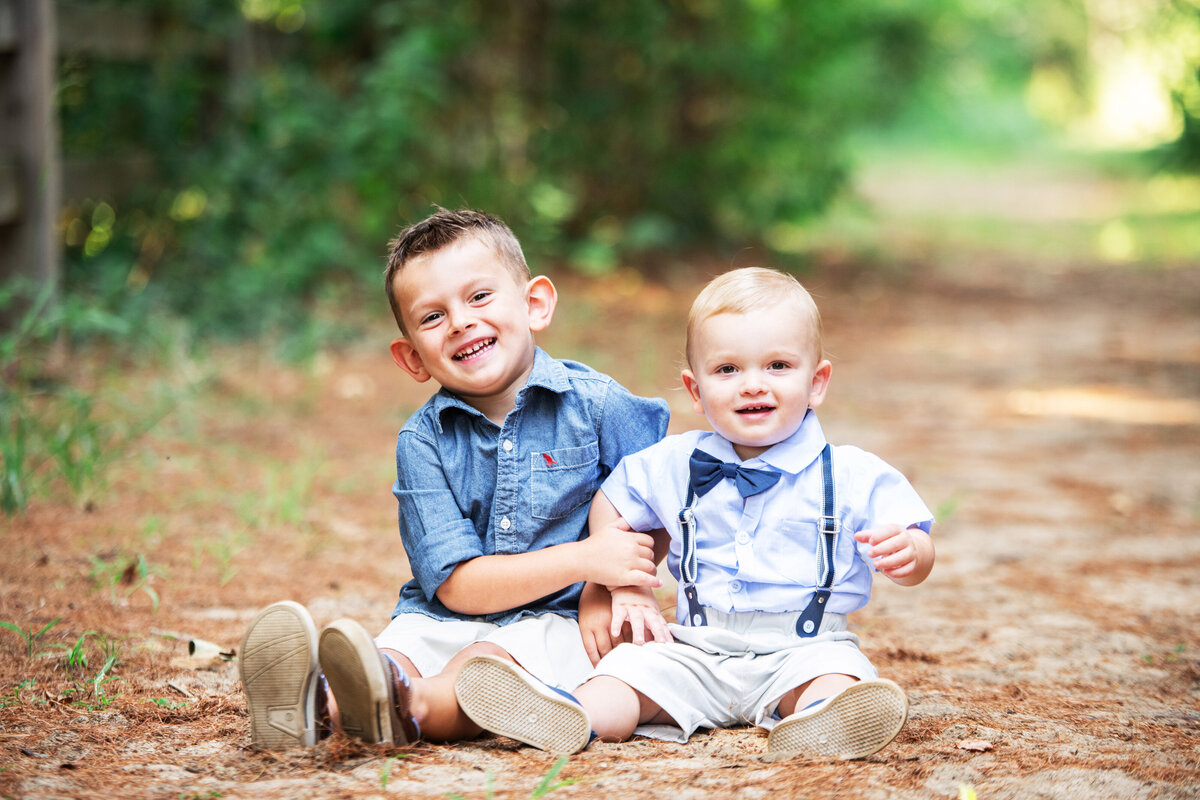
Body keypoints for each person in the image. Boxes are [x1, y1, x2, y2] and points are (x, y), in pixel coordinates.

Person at [453, 266, 935, 759]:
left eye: (778, 367)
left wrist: (911, 553)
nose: (752, 385)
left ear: (817, 382)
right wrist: (628, 584)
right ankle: (571, 716)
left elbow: (918, 542)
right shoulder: (676, 461)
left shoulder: (853, 473)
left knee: (836, 676)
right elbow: (613, 503)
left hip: (803, 650)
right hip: (694, 649)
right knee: (629, 674)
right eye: (727, 370)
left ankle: (823, 722)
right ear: (695, 389)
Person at [238, 208, 669, 750]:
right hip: (439, 612)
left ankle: (404, 709)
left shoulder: (600, 405)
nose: (461, 321)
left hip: (555, 621)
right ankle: (312, 705)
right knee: (396, 653)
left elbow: (661, 497)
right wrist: (585, 558)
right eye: (433, 316)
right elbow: (456, 586)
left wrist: (619, 586)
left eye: (479, 297)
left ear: (534, 304)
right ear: (412, 358)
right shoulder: (421, 443)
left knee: (484, 668)